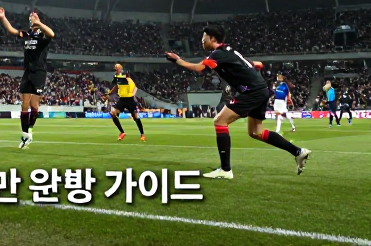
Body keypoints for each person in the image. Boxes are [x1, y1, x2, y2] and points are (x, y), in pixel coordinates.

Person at [165, 25, 311, 179]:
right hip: (261, 89)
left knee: (220, 121)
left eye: (204, 38)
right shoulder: (230, 50)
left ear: (212, 38)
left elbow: (199, 68)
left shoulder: (218, 53)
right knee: (256, 132)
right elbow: (256, 64)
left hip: (252, 91)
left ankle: (225, 170)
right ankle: (298, 152)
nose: (202, 41)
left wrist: (178, 60)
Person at [0, 7, 54, 149]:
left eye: (34, 15)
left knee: (34, 106)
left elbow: (52, 34)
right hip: (28, 72)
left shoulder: (43, 35)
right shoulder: (27, 34)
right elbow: (12, 30)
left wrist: (39, 24)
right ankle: (25, 134)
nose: (31, 16)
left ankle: (30, 130)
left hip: (39, 72)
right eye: (31, 15)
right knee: (24, 104)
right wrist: (3, 17)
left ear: (38, 19)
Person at [106, 63, 145, 141]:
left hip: (130, 100)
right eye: (115, 68)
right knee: (112, 113)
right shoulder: (118, 77)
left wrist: (133, 94)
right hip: (122, 99)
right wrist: (109, 93)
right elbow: (116, 85)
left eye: (117, 67)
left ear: (121, 69)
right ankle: (122, 132)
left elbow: (135, 87)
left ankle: (142, 134)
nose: (115, 69)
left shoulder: (126, 78)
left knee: (135, 117)